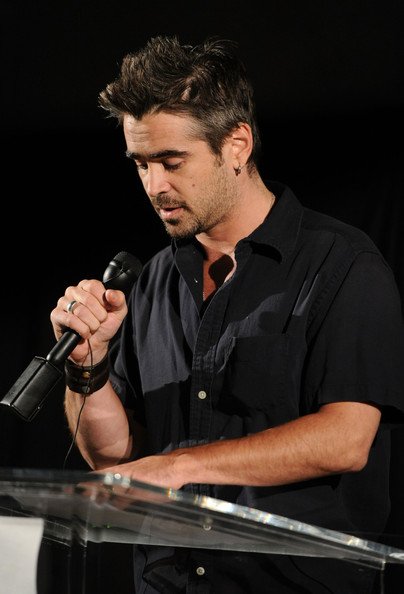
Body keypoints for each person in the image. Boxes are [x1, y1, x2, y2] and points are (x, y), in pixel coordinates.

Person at [50, 36, 404, 593]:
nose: (155, 186)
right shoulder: (154, 281)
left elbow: (345, 439)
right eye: (141, 164)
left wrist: (180, 465)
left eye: (172, 162)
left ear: (237, 145)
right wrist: (87, 368)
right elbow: (114, 456)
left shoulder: (342, 264)